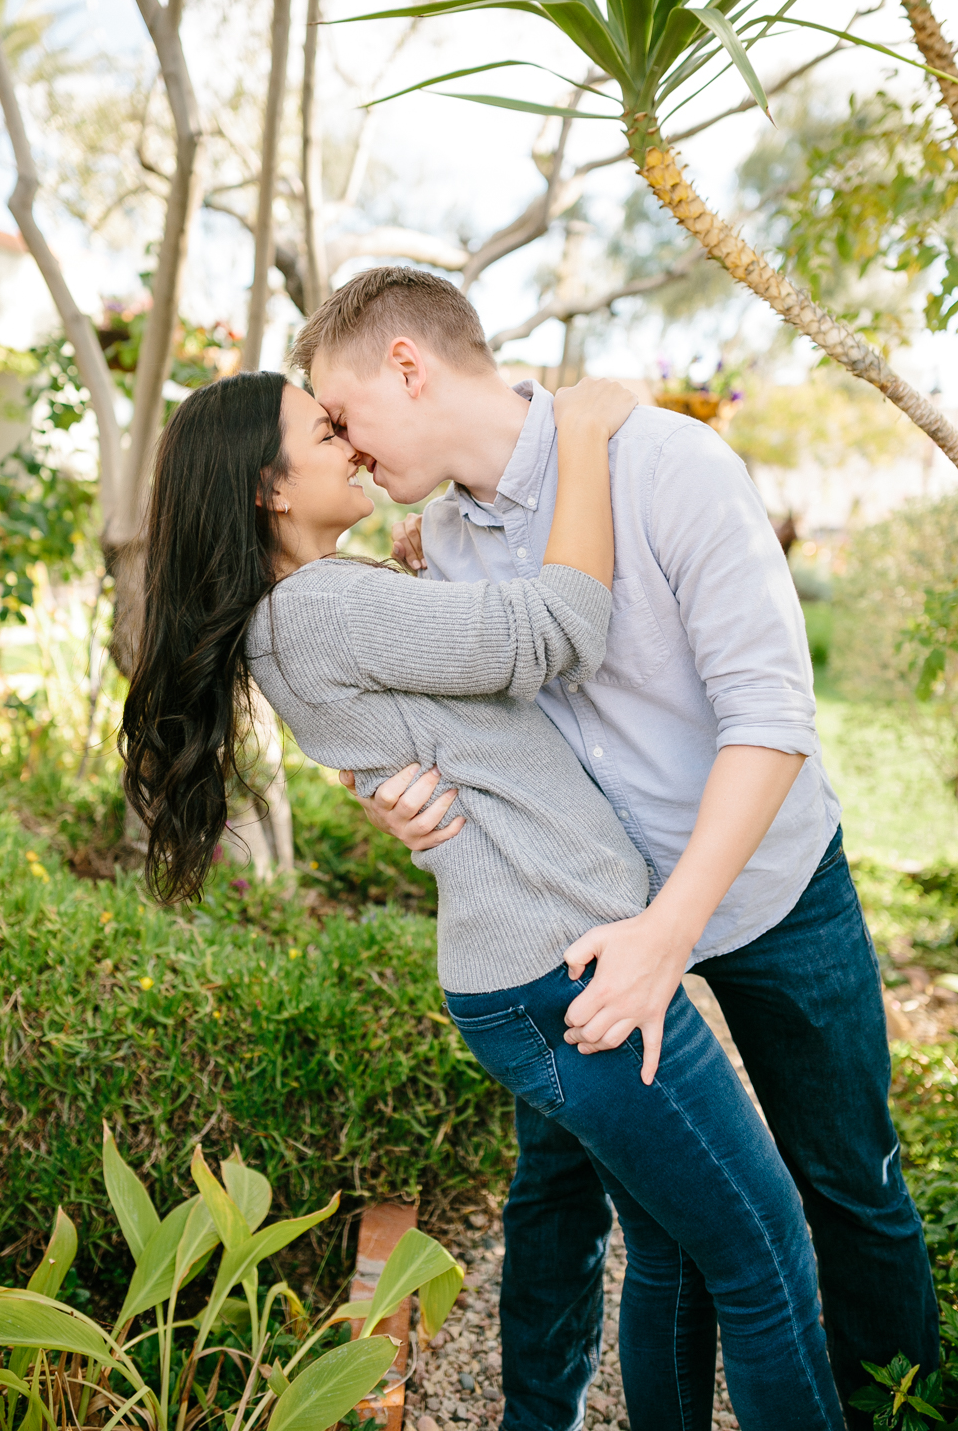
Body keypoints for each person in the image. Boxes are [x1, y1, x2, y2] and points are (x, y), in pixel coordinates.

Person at [119, 368, 845, 1431]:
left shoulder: (315, 606)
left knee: (680, 1253)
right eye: (322, 432)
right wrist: (588, 434)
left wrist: (423, 578)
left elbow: (440, 713)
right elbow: (555, 631)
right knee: (765, 1250)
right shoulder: (321, 607)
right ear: (269, 487)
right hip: (562, 972)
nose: (349, 446)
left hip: (543, 963)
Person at [290, 265, 939, 1431]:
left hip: (766, 890)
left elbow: (770, 718)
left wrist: (667, 935)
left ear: (408, 365)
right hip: (583, 920)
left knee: (849, 1186)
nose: (340, 443)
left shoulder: (669, 468)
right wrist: (374, 785)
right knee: (566, 1199)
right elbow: (404, 703)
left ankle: (898, 1411)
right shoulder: (436, 541)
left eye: (341, 413)